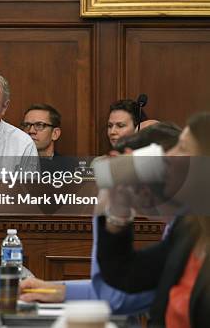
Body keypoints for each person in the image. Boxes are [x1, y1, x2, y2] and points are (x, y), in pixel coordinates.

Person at [20, 122, 182, 316]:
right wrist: (56, 290)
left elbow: (116, 299)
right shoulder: (178, 225)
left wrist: (108, 207)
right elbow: (129, 293)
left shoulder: (190, 231)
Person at [97, 112, 210, 326]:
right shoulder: (190, 228)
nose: (167, 156)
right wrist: (118, 209)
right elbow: (126, 274)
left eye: (183, 148)